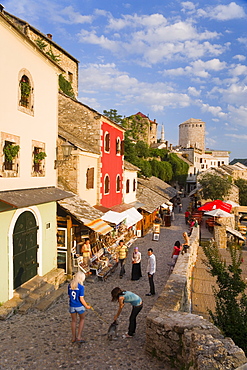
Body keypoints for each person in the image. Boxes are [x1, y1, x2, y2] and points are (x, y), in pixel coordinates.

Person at [68, 271, 91, 343]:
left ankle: (73, 337)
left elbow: (69, 296)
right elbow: (81, 298)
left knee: (73, 321)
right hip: (79, 306)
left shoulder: (70, 285)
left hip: (72, 306)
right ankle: (79, 336)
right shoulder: (81, 287)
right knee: (82, 319)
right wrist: (86, 306)